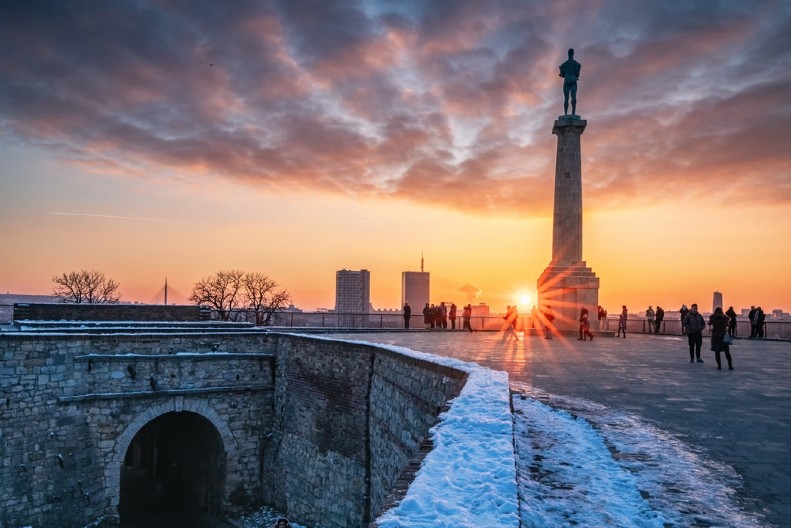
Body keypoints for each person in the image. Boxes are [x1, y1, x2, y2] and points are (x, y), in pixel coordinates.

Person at [559, 48, 581, 116]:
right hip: (573, 79)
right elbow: (577, 74)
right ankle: (573, 112)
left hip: (567, 79)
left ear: (568, 54)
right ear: (573, 54)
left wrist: (562, 73)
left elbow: (562, 74)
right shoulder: (577, 64)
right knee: (573, 97)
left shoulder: (564, 64)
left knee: (566, 98)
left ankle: (565, 113)